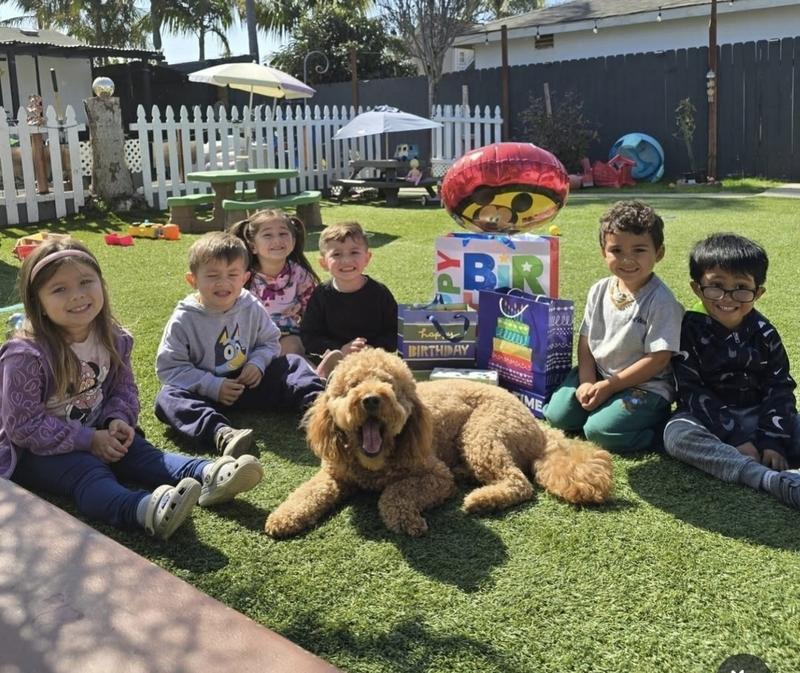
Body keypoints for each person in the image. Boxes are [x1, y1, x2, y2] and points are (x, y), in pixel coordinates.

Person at [0, 238, 263, 540]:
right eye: (59, 289)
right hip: (32, 453)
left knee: (140, 453)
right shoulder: (26, 356)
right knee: (87, 471)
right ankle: (143, 510)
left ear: (101, 284)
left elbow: (123, 389)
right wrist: (88, 440)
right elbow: (23, 426)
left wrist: (117, 421)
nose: (77, 295)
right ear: (39, 303)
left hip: (98, 428)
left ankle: (209, 474)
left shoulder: (112, 337)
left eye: (86, 282)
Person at [155, 231, 325, 457]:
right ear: (193, 279)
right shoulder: (184, 318)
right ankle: (221, 433)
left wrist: (257, 363)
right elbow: (169, 368)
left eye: (232, 274)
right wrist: (212, 386)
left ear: (245, 278)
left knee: (293, 364)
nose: (223, 283)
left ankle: (322, 410)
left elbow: (269, 341)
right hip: (206, 392)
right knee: (168, 397)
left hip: (249, 383)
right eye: (213, 275)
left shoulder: (249, 304)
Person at [664, 233, 800, 509]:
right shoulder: (687, 328)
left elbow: (780, 387)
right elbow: (691, 390)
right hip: (707, 420)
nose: (727, 298)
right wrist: (735, 438)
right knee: (676, 436)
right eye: (716, 286)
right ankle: (769, 480)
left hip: (760, 414)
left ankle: (780, 463)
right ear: (696, 288)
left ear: (758, 291)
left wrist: (773, 440)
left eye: (741, 287)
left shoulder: (765, 333)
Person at [543, 200, 684, 453]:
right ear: (603, 252)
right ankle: (602, 405)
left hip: (645, 387)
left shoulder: (662, 301)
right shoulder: (599, 290)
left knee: (599, 432)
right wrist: (587, 382)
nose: (627, 259)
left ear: (659, 253)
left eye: (639, 250)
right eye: (616, 250)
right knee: (558, 416)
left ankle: (657, 431)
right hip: (599, 374)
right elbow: (586, 341)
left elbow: (659, 359)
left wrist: (611, 387)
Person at [300, 221, 398, 364]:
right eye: (337, 254)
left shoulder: (379, 293)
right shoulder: (321, 295)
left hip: (374, 360)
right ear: (323, 263)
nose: (346, 260)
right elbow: (309, 336)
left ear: (367, 258)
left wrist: (374, 348)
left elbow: (395, 331)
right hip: (335, 361)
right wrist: (339, 349)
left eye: (354, 252)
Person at [229, 209, 319, 357]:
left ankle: (314, 375)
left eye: (283, 234)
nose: (277, 240)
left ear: (293, 240)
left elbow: (312, 312)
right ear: (253, 246)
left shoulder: (300, 275)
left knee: (292, 349)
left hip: (287, 335)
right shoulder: (244, 277)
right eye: (268, 235)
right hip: (251, 338)